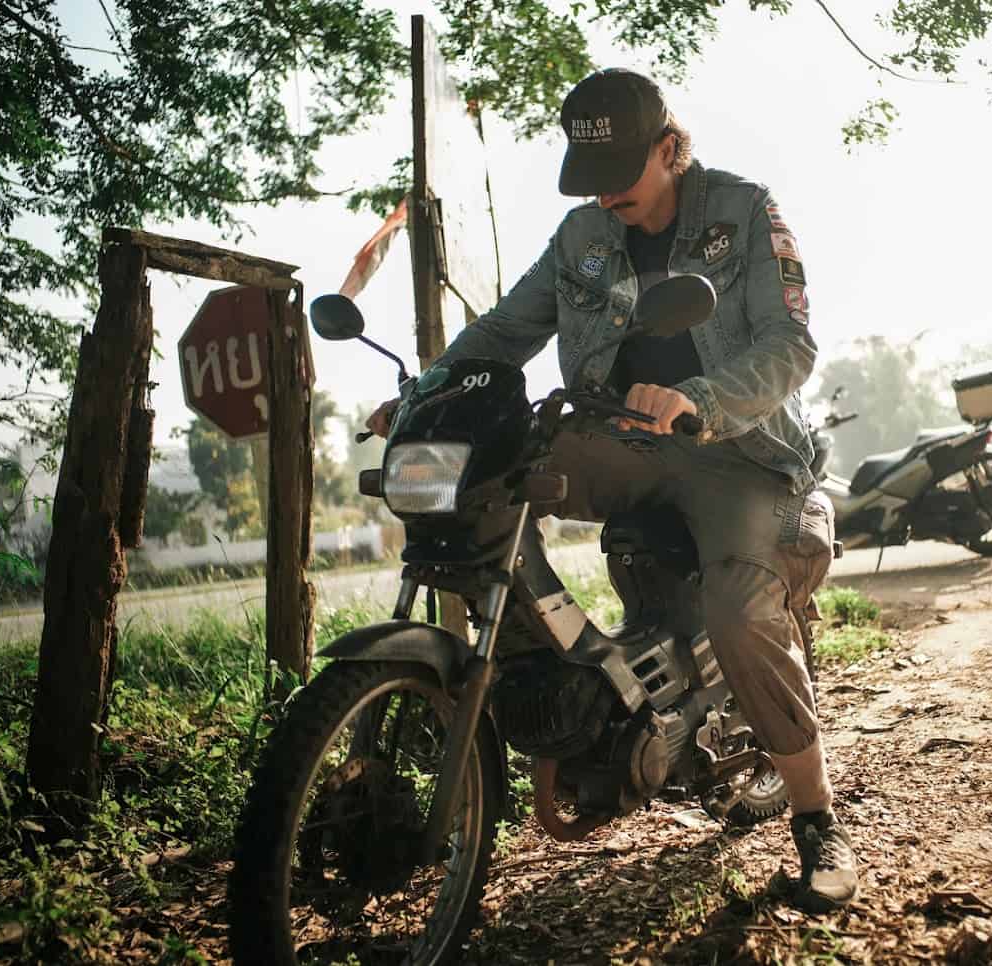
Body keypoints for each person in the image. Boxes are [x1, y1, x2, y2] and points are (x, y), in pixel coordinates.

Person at [367, 68, 857, 912]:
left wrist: (697, 399)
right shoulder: (580, 236)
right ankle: (550, 686)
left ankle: (816, 818)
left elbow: (790, 344)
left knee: (737, 615)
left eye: (622, 171)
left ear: (671, 148)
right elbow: (505, 331)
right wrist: (425, 395)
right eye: (590, 177)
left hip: (736, 450)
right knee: (481, 483)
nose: (604, 194)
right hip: (615, 443)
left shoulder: (741, 210)